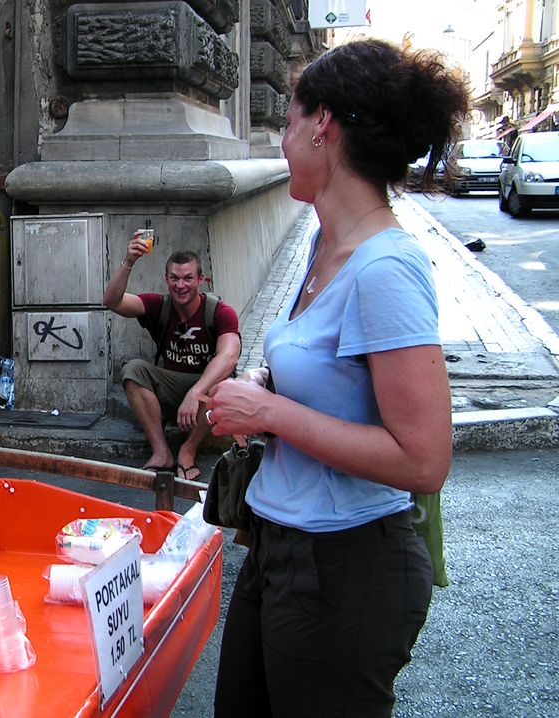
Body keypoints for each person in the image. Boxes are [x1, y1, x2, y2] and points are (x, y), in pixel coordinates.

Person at [203, 40, 466, 716]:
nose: (283, 141)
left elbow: (424, 458)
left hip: (348, 568)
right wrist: (264, 385)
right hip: (280, 549)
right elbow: (330, 375)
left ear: (323, 125)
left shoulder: (386, 268)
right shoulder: (324, 243)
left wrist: (268, 415)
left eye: (288, 122)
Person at [103, 237, 241, 480]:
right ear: (166, 280)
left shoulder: (220, 312)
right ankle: (161, 452)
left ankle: (188, 450)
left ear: (201, 280)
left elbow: (229, 356)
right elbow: (112, 301)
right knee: (133, 370)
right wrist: (129, 261)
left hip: (205, 391)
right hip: (171, 385)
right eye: (174, 278)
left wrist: (196, 392)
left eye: (188, 278)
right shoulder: (159, 305)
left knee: (223, 382)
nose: (180, 285)